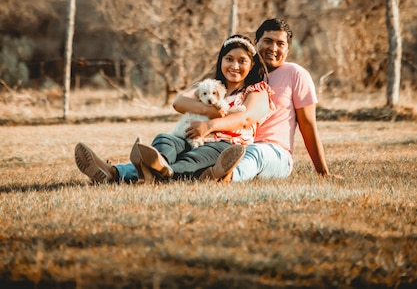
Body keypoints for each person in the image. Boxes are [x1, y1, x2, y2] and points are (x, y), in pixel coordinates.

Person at [74, 34, 274, 184]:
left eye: (242, 61)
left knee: (192, 159)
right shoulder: (207, 85)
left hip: (221, 143)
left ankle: (117, 173)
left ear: (252, 63)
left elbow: (245, 118)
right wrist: (211, 111)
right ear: (221, 60)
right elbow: (179, 102)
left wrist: (210, 126)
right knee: (165, 140)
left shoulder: (256, 89)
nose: (234, 65)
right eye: (229, 59)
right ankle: (150, 168)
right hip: (186, 136)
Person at [183, 18, 338, 182]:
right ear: (256, 43)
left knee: (255, 152)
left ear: (288, 49)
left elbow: (308, 125)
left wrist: (323, 172)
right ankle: (169, 171)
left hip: (274, 152)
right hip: (232, 145)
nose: (273, 48)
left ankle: (227, 177)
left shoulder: (295, 74)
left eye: (280, 43)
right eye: (268, 41)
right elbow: (184, 99)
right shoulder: (241, 72)